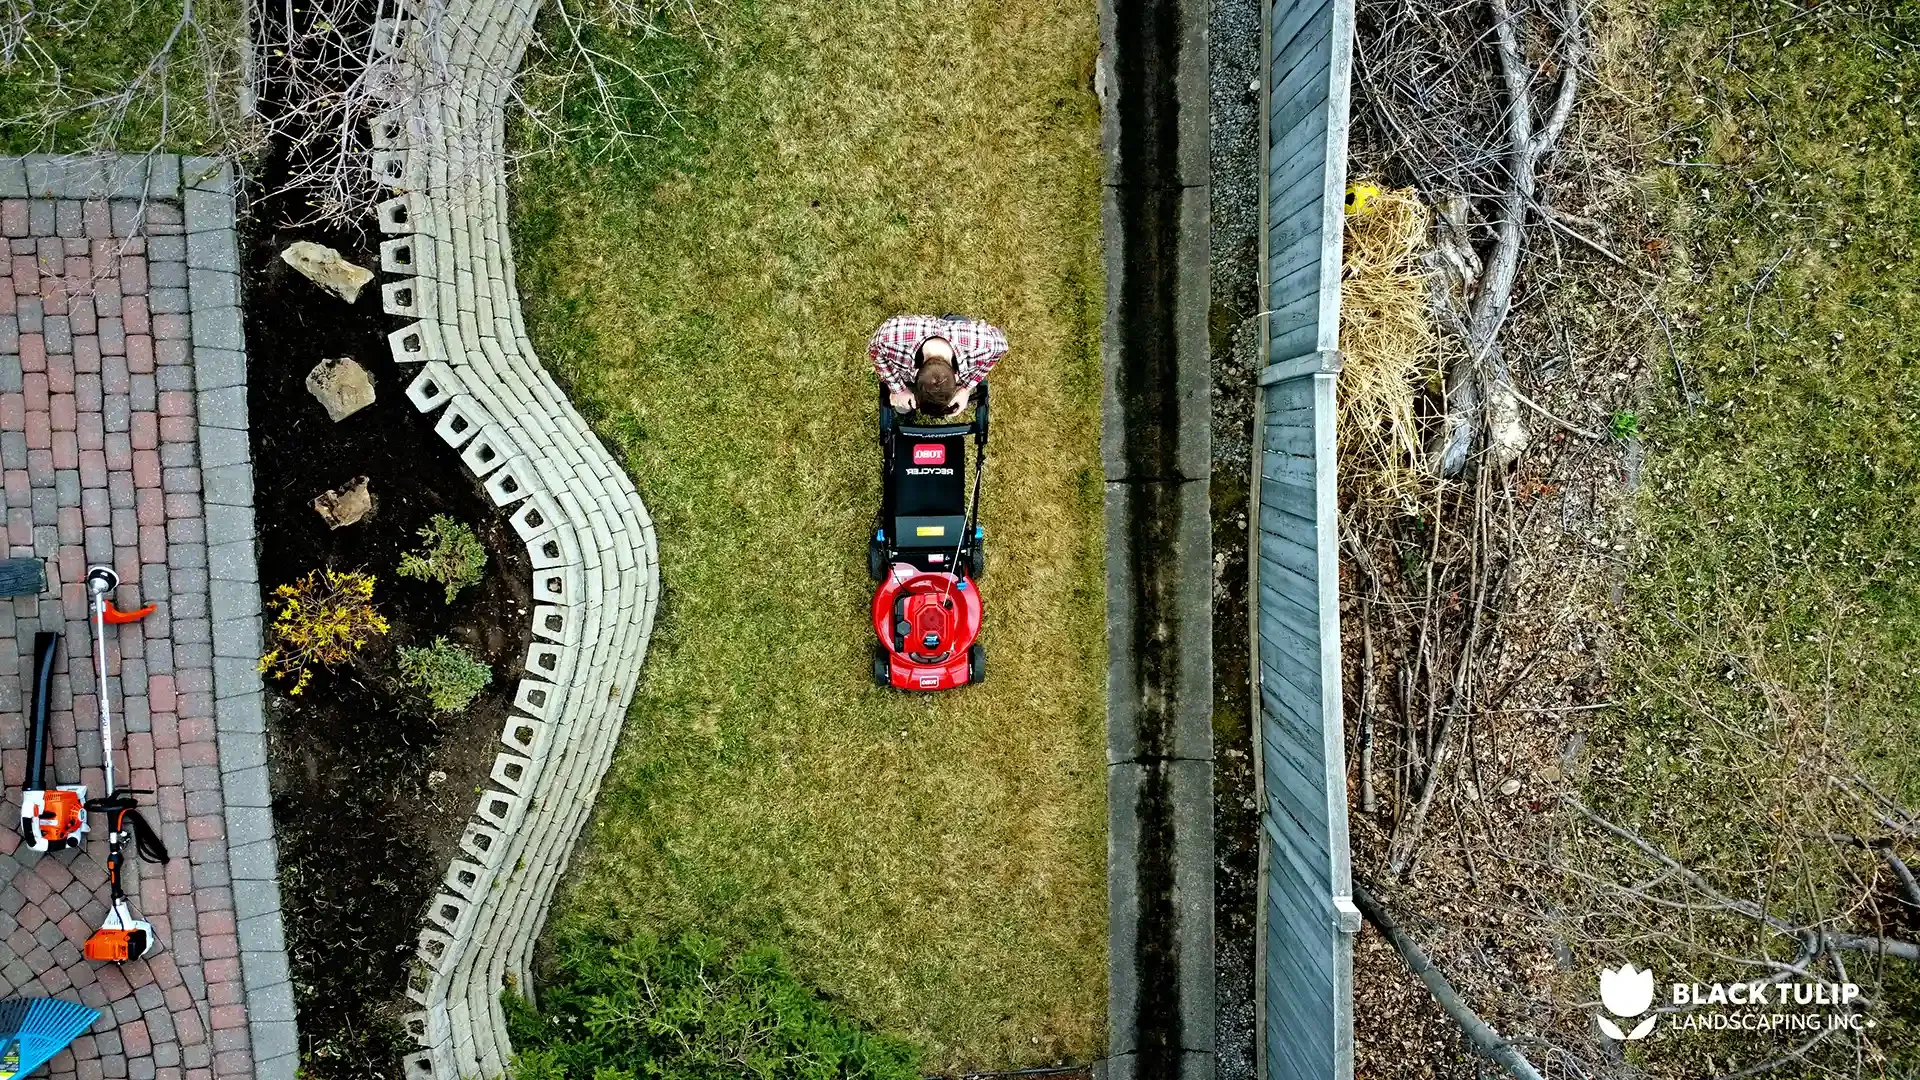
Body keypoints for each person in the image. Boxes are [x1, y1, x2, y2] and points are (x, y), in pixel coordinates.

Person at [869, 314, 1007, 416]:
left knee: (959, 322)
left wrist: (966, 389)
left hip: (960, 335)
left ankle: (954, 321)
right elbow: (875, 350)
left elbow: (1001, 346)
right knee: (902, 407)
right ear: (956, 375)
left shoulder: (984, 345)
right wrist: (899, 390)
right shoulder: (889, 340)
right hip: (918, 331)